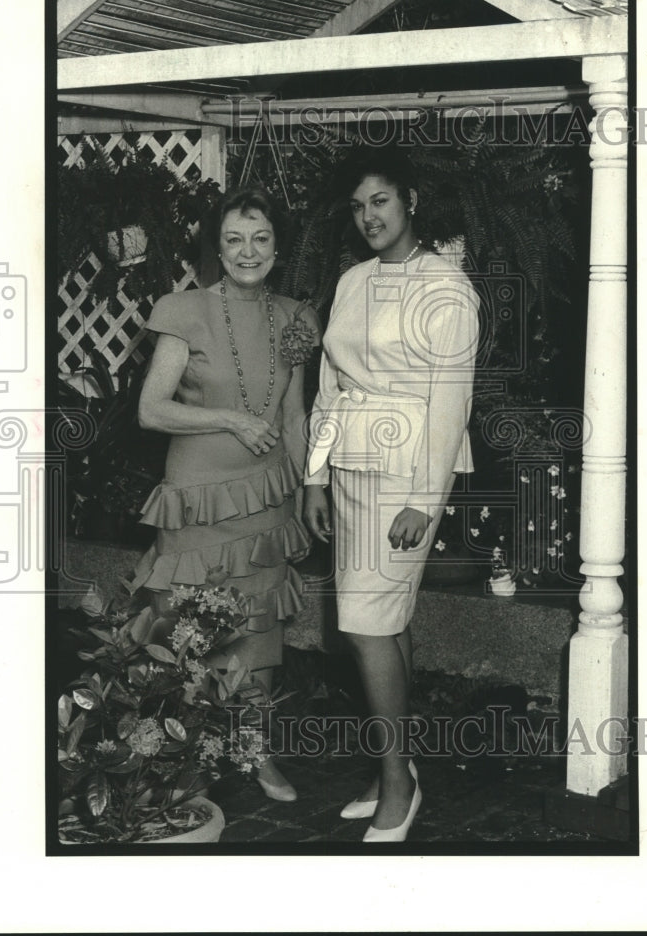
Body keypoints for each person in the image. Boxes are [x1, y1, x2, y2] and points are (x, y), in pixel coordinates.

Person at [303, 149, 478, 841]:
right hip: (349, 467)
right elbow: (328, 387)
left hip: (406, 476)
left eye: (378, 200)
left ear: (407, 200)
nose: (367, 216)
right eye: (356, 206)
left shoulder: (445, 287)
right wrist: (314, 475)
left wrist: (421, 500)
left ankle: (398, 786)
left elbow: (448, 404)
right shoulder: (352, 281)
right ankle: (393, 771)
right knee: (386, 622)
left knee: (362, 625)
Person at [128, 185, 320, 802]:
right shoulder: (182, 309)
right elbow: (151, 410)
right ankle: (178, 759)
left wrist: (308, 486)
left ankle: (256, 755)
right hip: (198, 497)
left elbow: (294, 416)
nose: (247, 251)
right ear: (217, 245)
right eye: (234, 239)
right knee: (187, 627)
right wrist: (231, 419)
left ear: (278, 245)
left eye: (260, 238)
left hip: (268, 500)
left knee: (259, 633)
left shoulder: (296, 317)